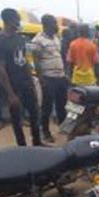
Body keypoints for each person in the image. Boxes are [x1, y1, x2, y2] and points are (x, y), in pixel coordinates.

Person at [0, 8, 42, 146]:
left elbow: (24, 61)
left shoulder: (20, 38)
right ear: (9, 20)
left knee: (34, 114)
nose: (18, 22)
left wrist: (31, 81)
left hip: (26, 82)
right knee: (16, 119)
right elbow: (0, 69)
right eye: (17, 19)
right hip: (13, 85)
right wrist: (10, 93)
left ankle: (37, 142)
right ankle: (22, 147)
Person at [32, 14, 68, 143]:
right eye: (54, 23)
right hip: (48, 78)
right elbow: (35, 61)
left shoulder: (56, 38)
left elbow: (59, 56)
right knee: (46, 107)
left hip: (60, 77)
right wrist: (41, 79)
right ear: (46, 24)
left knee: (62, 105)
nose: (56, 26)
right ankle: (45, 132)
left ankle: (63, 128)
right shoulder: (38, 40)